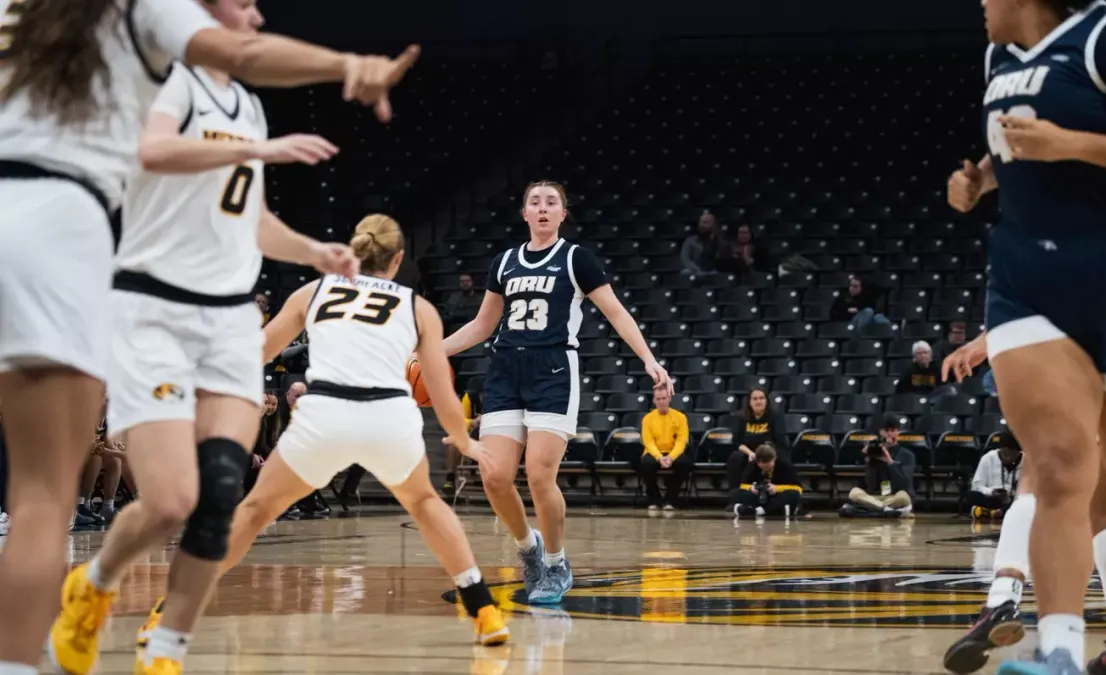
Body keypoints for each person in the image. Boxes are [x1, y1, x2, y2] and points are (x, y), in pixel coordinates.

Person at [0, 0, 420, 671]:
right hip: (154, 307)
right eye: (243, 2)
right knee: (168, 500)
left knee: (223, 488)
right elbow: (153, 149)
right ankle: (97, 582)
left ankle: (166, 647)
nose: (255, 12)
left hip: (228, 317)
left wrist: (314, 251)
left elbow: (247, 215)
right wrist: (274, 134)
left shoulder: (247, 106)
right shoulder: (163, 73)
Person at [946, 1, 1106, 672]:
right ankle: (1057, 652)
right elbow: (1018, 143)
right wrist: (979, 178)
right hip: (1028, 276)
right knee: (1055, 463)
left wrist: (1075, 144)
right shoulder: (998, 59)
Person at [156, 214, 508, 650]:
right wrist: (464, 438)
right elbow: (441, 390)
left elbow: (260, 351)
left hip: (326, 414)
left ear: (353, 249)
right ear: (397, 259)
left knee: (254, 511)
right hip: (389, 416)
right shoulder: (418, 307)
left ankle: (169, 611)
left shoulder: (313, 290)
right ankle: (484, 611)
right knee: (425, 503)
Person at [443, 181, 672, 604]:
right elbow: (482, 326)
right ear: (525, 213)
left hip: (553, 371)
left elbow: (616, 312)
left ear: (563, 214)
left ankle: (556, 561)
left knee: (539, 474)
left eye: (552, 203)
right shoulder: (505, 262)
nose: (543, 208)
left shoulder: (576, 259)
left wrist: (648, 358)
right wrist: (431, 351)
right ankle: (529, 548)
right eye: (535, 202)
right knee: (493, 476)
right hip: (506, 370)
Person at [942, 335, 1106, 674]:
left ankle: (1002, 601)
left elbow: (1036, 291)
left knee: (1037, 479)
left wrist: (983, 342)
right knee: (1104, 509)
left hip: (1077, 352)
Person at [724, 387, 789, 505]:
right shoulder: (740, 417)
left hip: (769, 451)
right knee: (735, 457)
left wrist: (762, 453)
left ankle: (777, 496)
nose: (758, 402)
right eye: (754, 399)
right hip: (748, 452)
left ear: (766, 400)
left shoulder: (775, 416)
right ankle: (734, 499)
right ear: (749, 401)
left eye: (761, 398)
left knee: (782, 457)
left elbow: (780, 440)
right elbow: (737, 442)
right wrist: (751, 454)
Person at [844, 417, 916, 517]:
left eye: (892, 430)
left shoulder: (907, 455)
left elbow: (904, 484)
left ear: (898, 432)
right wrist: (869, 461)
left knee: (903, 497)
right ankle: (887, 511)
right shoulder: (873, 453)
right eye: (886, 431)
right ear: (880, 432)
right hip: (876, 497)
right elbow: (870, 485)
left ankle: (872, 511)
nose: (889, 434)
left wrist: (889, 461)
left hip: (894, 497)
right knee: (854, 493)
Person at [639, 387, 691, 511]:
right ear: (654, 401)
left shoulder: (680, 417)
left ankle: (670, 499)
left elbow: (681, 441)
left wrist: (671, 457)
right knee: (646, 463)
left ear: (669, 399)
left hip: (673, 451)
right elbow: (648, 441)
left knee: (684, 464)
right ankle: (654, 498)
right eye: (658, 399)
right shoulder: (647, 419)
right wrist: (659, 457)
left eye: (664, 398)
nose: (661, 401)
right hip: (655, 452)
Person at [732, 443, 805, 519]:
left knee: (793, 495)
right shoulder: (753, 465)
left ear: (774, 459)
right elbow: (743, 485)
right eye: (762, 467)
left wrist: (777, 488)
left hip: (778, 495)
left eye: (767, 466)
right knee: (734, 493)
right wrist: (752, 487)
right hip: (758, 495)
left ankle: (759, 510)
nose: (765, 469)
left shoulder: (785, 465)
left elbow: (798, 488)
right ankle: (774, 510)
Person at [968, 430, 1023, 520]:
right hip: (993, 498)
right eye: (1005, 454)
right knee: (971, 496)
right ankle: (999, 512)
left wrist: (1012, 494)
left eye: (1011, 455)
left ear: (1018, 452)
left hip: (1014, 499)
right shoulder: (988, 458)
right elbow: (977, 485)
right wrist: (992, 492)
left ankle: (990, 512)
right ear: (1000, 449)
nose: (1007, 458)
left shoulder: (1027, 461)